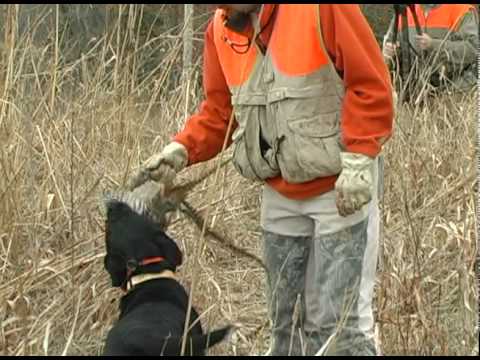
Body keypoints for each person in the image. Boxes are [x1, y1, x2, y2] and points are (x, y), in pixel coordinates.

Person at [128, 4, 393, 356]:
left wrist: (360, 158)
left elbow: (370, 85)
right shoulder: (220, 31)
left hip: (341, 191)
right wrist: (180, 149)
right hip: (279, 196)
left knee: (340, 330)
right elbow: (219, 112)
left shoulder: (321, 8)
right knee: (285, 328)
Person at [382, 4, 478, 92]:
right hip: (411, 96)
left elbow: (473, 49)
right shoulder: (404, 10)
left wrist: (433, 45)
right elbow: (388, 52)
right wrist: (389, 55)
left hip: (452, 96)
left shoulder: (461, 10)